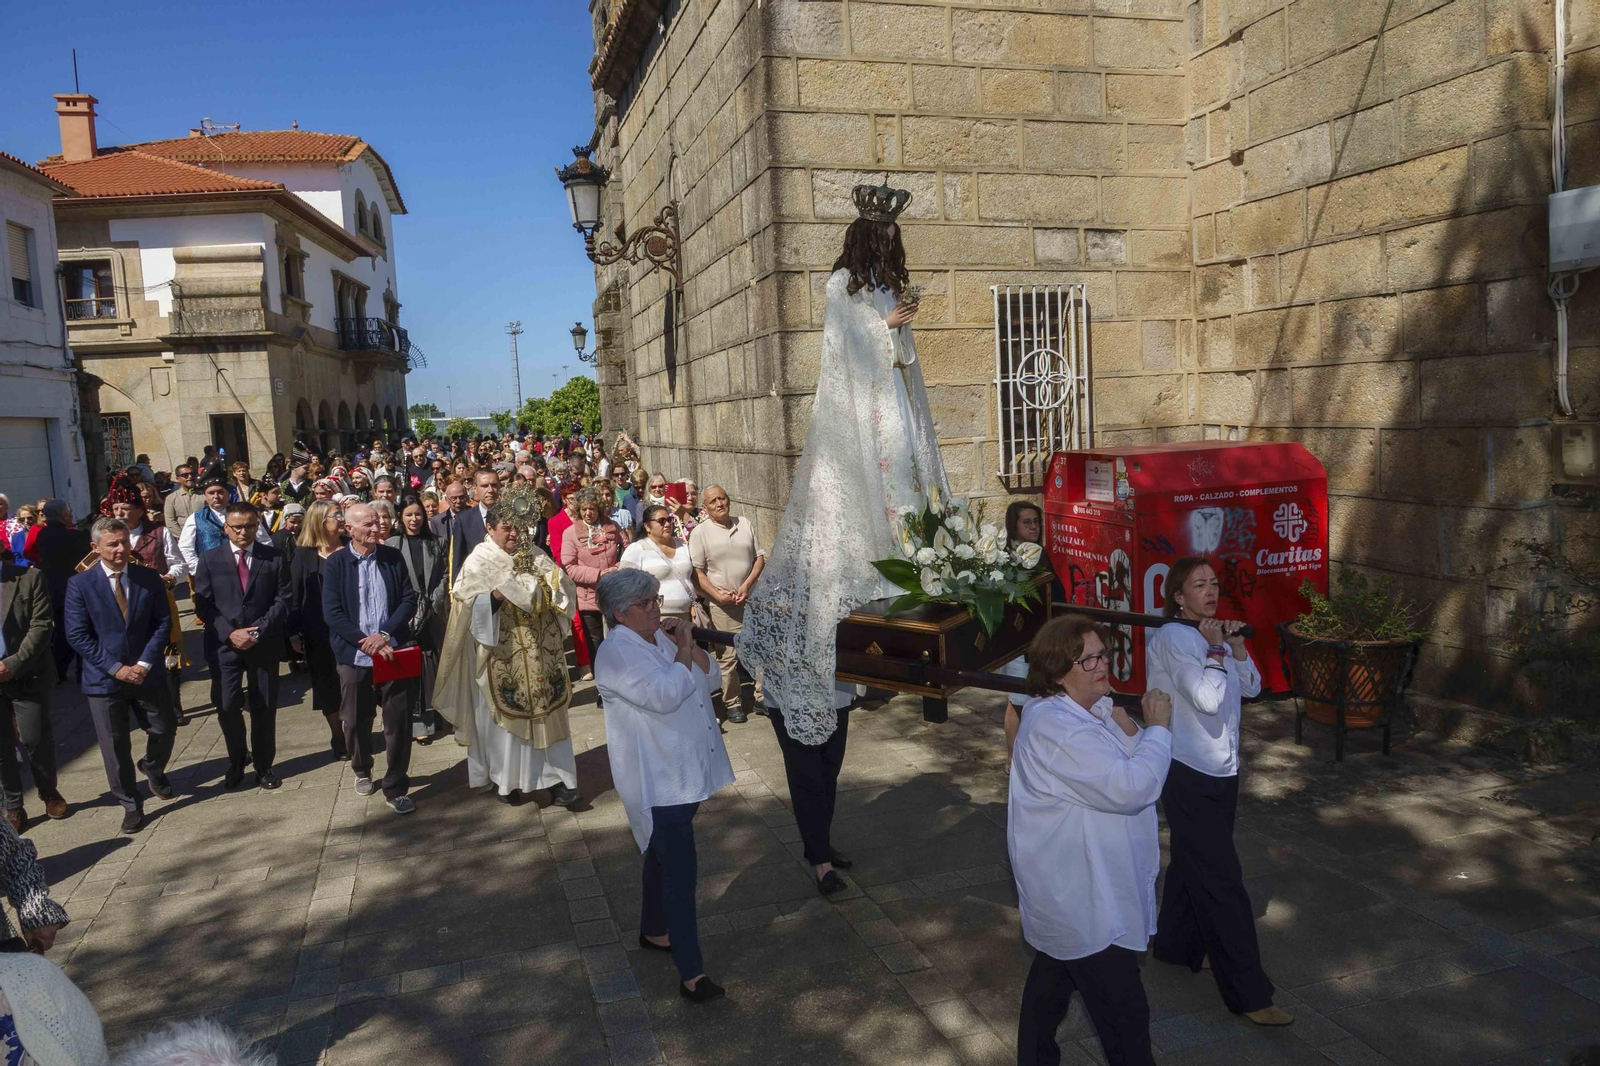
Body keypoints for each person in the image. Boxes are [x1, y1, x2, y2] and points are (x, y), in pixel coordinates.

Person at [737, 181, 949, 895]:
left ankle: (822, 845)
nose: (888, 249)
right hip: (856, 411)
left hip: (889, 410)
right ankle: (817, 852)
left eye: (895, 241)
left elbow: (899, 364)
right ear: (863, 240)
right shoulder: (840, 285)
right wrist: (884, 329)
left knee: (830, 759)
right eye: (880, 240)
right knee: (812, 763)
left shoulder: (888, 289)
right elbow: (845, 350)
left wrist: (904, 334)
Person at [1009, 615, 1173, 1066]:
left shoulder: (1088, 711)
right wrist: (1159, 728)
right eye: (1092, 659)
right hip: (1085, 895)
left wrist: (1131, 728)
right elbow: (1133, 786)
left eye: (1104, 653)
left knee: (1052, 983)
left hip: (1082, 887)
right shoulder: (1056, 728)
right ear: (1061, 672)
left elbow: (1133, 760)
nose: (1105, 664)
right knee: (1125, 1017)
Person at [1146, 556, 1290, 1027]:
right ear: (1178, 596)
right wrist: (1214, 650)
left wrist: (1235, 649)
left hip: (1222, 768)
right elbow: (1207, 700)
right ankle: (1249, 993)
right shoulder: (1172, 639)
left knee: (1194, 861)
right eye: (1198, 584)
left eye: (1213, 583)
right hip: (1188, 771)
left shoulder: (1211, 638)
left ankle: (1173, 944)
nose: (1210, 590)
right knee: (1224, 881)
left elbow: (1250, 688)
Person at [594, 569, 731, 1003]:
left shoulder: (658, 638)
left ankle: (653, 931)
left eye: (656, 598)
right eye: (647, 603)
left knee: (659, 851)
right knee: (680, 873)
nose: (657, 607)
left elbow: (707, 680)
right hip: (658, 778)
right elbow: (666, 694)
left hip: (684, 765)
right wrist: (685, 650)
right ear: (619, 613)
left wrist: (690, 647)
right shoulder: (615, 653)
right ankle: (692, 974)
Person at [435, 501, 581, 807]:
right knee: (506, 726)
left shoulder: (536, 555)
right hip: (503, 658)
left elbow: (564, 588)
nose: (516, 534)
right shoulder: (480, 561)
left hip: (542, 655)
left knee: (549, 718)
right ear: (490, 529)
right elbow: (463, 606)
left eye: (520, 527)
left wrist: (550, 588)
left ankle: (558, 783)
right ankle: (508, 782)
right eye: (508, 528)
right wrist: (495, 596)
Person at [64, 518, 178, 834]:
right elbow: (77, 634)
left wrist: (142, 663)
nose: (120, 549)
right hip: (105, 679)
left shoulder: (147, 578)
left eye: (124, 542)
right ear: (95, 548)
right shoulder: (80, 585)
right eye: (112, 544)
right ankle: (130, 803)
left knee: (164, 727)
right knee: (114, 748)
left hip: (145, 672)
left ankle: (153, 767)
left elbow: (161, 623)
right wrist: (116, 668)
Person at [322, 502, 419, 813]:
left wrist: (386, 635)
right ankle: (362, 767)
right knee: (354, 719)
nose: (377, 528)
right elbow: (333, 613)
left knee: (398, 721)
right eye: (368, 524)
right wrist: (366, 643)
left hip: (393, 650)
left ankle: (395, 785)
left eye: (378, 522)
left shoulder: (392, 557)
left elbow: (408, 599)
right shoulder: (337, 564)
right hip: (355, 654)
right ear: (349, 529)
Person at [192, 502, 291, 790]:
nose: (243, 532)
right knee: (226, 705)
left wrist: (258, 631)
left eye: (250, 526)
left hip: (263, 644)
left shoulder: (273, 557)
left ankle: (264, 766)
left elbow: (284, 600)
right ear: (226, 528)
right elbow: (203, 604)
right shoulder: (210, 559)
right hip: (224, 646)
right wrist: (230, 633)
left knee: (264, 705)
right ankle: (237, 760)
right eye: (237, 527)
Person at [688, 486, 765, 723]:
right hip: (723, 604)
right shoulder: (700, 533)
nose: (719, 504)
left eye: (722, 498)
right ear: (706, 508)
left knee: (760, 650)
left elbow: (759, 558)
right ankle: (732, 702)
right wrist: (716, 595)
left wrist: (747, 585)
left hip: (751, 600)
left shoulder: (745, 523)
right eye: (713, 501)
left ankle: (762, 698)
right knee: (728, 655)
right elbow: (697, 572)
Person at [0, 556, 67, 830]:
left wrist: (12, 664)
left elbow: (41, 626)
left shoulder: (29, 577)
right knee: (1, 747)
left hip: (26, 673)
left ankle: (48, 790)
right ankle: (14, 805)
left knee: (35, 738)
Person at [998, 501, 1062, 765]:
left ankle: (1020, 760)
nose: (1034, 527)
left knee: (1025, 702)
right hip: (1019, 646)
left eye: (1037, 521)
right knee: (1021, 704)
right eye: (1027, 522)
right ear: (1014, 526)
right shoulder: (1009, 559)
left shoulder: (1039, 552)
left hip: (1041, 641)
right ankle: (1017, 761)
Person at [290, 501, 348, 761]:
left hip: (352, 631)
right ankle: (339, 735)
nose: (342, 518)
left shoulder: (351, 548)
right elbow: (294, 594)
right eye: (336, 514)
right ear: (320, 521)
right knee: (327, 686)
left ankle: (355, 729)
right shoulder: (304, 554)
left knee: (353, 684)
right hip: (318, 632)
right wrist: (293, 632)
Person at [388, 498, 447, 744]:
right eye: (409, 515)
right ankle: (417, 722)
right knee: (411, 668)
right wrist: (408, 608)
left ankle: (441, 715)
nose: (414, 520)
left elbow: (446, 574)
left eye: (419, 515)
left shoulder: (438, 543)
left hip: (432, 614)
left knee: (435, 664)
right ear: (401, 518)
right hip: (405, 615)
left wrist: (433, 603)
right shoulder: (392, 545)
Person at [559, 488, 625, 683]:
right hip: (588, 597)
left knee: (619, 642)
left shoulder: (613, 527)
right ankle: (602, 686)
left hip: (614, 594)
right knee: (596, 645)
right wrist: (598, 574)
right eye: (585, 509)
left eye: (593, 508)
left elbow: (628, 552)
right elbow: (569, 566)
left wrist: (617, 568)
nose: (589, 513)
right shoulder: (570, 533)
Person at [27, 501, 91, 685]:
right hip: (72, 588)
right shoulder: (74, 536)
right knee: (79, 629)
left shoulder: (43, 534)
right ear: (64, 515)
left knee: (61, 631)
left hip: (52, 588)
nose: (71, 515)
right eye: (70, 512)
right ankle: (78, 671)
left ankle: (58, 672)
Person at [620, 505, 698, 624]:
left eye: (669, 520)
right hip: (654, 620)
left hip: (688, 616)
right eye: (661, 521)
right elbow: (625, 587)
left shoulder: (683, 545)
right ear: (647, 526)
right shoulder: (636, 549)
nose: (667, 524)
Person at [446, 469, 499, 588]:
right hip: (476, 589)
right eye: (484, 486)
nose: (490, 490)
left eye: (494, 485)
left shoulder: (510, 516)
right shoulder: (464, 520)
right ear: (475, 488)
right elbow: (458, 562)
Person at [162, 463, 204, 535]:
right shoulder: (171, 498)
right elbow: (170, 522)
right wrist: (184, 537)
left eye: (192, 474)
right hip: (183, 539)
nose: (190, 477)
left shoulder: (204, 495)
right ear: (178, 479)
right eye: (185, 475)